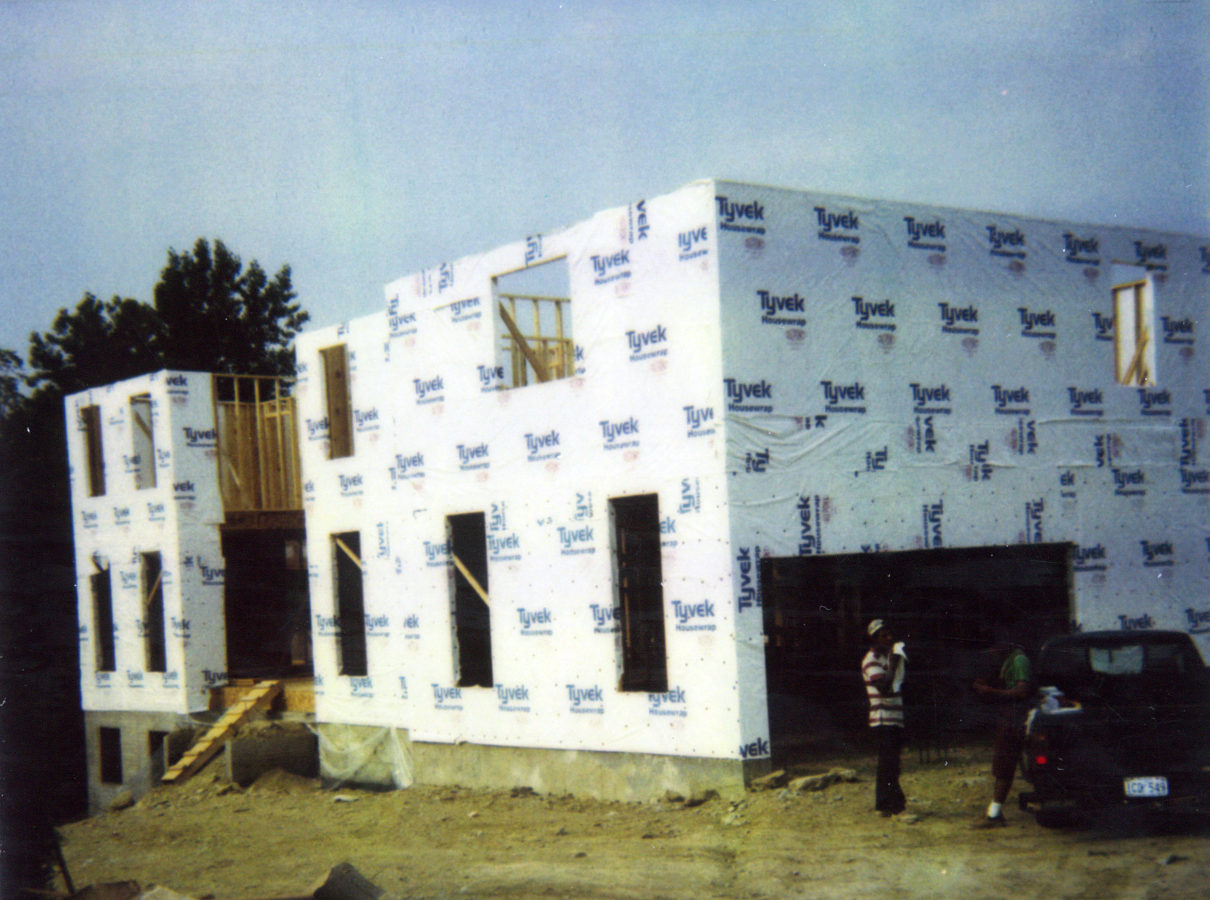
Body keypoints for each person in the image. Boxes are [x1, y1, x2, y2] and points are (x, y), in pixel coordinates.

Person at [972, 641, 1033, 827]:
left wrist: (991, 691)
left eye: (993, 647)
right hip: (1009, 716)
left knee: (1004, 765)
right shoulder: (1009, 660)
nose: (991, 652)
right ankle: (994, 812)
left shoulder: (1019, 660)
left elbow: (1022, 691)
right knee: (1003, 765)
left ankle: (994, 814)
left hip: (1015, 717)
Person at [862, 619, 907, 817]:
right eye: (883, 636)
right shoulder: (871, 660)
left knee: (893, 763)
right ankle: (886, 804)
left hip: (894, 716)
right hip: (882, 718)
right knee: (887, 762)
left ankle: (893, 803)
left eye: (889, 634)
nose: (889, 638)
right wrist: (894, 663)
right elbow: (884, 687)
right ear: (874, 639)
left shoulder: (887, 658)